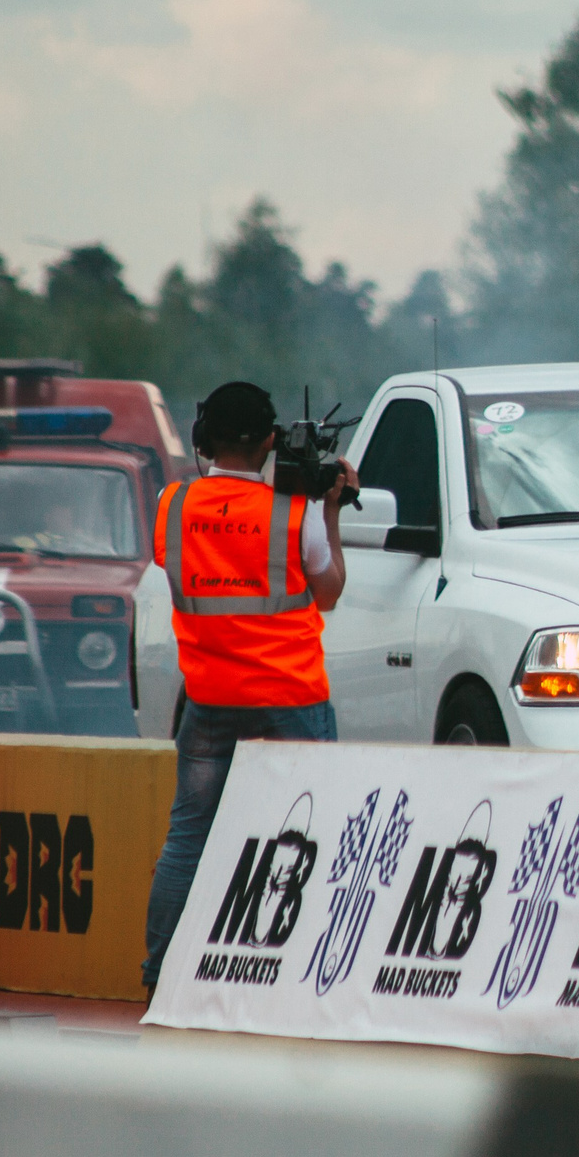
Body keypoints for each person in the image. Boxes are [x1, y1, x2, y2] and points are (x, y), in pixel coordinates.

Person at [141, 381, 354, 990]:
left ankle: (159, 977)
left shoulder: (173, 505)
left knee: (186, 840)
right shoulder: (295, 511)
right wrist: (330, 507)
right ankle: (303, 979)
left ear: (204, 438)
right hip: (292, 703)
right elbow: (330, 591)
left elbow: (173, 559)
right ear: (269, 442)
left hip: (209, 703)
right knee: (308, 842)